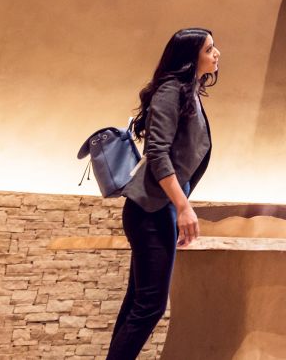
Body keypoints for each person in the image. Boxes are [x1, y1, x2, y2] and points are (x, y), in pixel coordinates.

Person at [106, 28, 219, 360]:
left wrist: (179, 208)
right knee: (150, 306)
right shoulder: (170, 91)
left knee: (137, 304)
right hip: (149, 211)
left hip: (159, 210)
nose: (217, 54)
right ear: (190, 58)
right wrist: (183, 208)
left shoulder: (189, 92)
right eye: (209, 49)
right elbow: (157, 153)